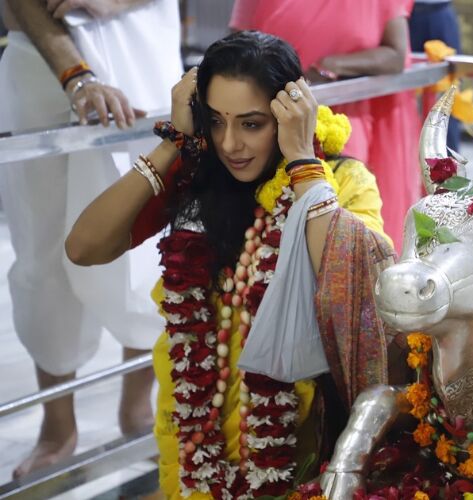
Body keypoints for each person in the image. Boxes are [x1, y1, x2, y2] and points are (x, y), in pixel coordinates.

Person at [66, 31, 400, 498]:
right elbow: (84, 248)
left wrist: (302, 158)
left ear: (290, 114)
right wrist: (172, 143)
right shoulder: (195, 177)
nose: (230, 143)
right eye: (216, 121)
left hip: (296, 451)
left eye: (251, 123)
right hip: (192, 449)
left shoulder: (340, 181)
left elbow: (358, 282)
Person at [0, 0, 181, 478]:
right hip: (38, 59)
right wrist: (76, 74)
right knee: (40, 253)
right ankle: (58, 428)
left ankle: (138, 409)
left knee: (147, 236)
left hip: (140, 43)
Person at [229, 0, 421, 248]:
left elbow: (395, 55)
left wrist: (330, 66)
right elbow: (234, 47)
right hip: (265, 118)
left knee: (339, 222)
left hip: (343, 121)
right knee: (262, 228)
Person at [409, 0, 462, 151]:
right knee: (403, 100)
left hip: (440, 12)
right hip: (402, 15)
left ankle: (447, 168)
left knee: (448, 97)